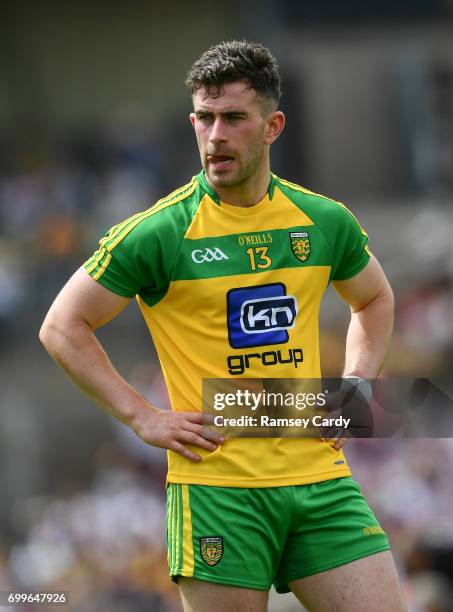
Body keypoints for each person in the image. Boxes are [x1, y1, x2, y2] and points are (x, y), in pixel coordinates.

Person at [40, 41, 406, 612]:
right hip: (217, 490)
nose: (215, 136)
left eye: (234, 118)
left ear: (272, 125)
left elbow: (375, 299)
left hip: (321, 478)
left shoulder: (324, 220)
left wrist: (357, 384)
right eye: (204, 119)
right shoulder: (158, 233)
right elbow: (63, 326)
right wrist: (142, 416)